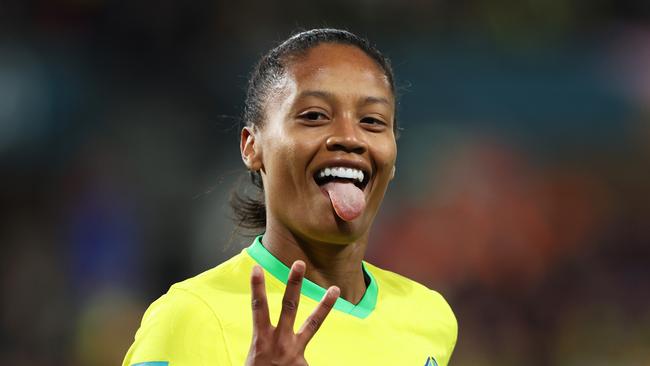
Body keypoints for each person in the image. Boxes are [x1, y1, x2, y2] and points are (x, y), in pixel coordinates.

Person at [122, 28, 457, 366]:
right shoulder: (192, 315)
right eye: (314, 116)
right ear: (252, 147)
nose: (349, 137)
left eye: (372, 121)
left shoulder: (429, 317)